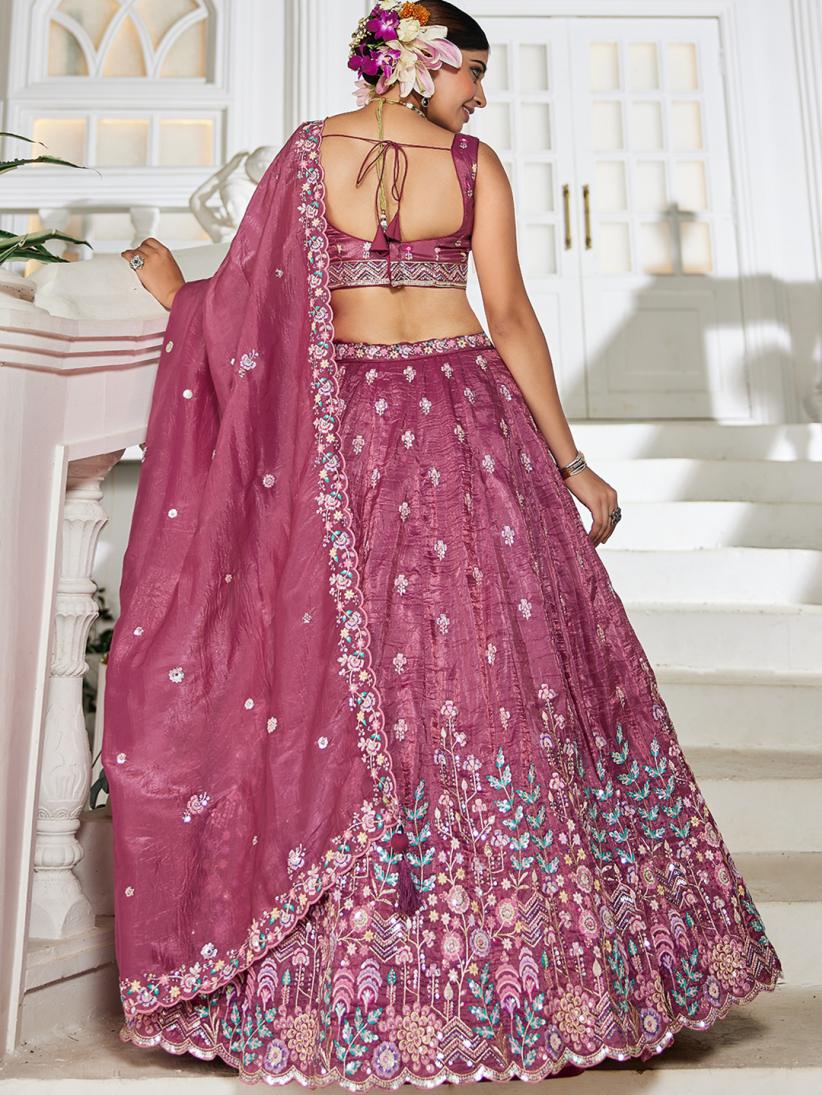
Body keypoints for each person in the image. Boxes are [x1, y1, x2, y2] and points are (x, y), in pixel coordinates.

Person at [109, 2, 782, 1087]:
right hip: (466, 418)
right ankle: (517, 974)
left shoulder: (307, 156)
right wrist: (568, 461)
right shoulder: (472, 169)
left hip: (351, 434)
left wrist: (180, 301)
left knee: (373, 679)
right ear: (421, 68)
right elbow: (507, 317)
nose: (480, 93)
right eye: (470, 71)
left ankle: (379, 982)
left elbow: (249, 311)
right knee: (479, 672)